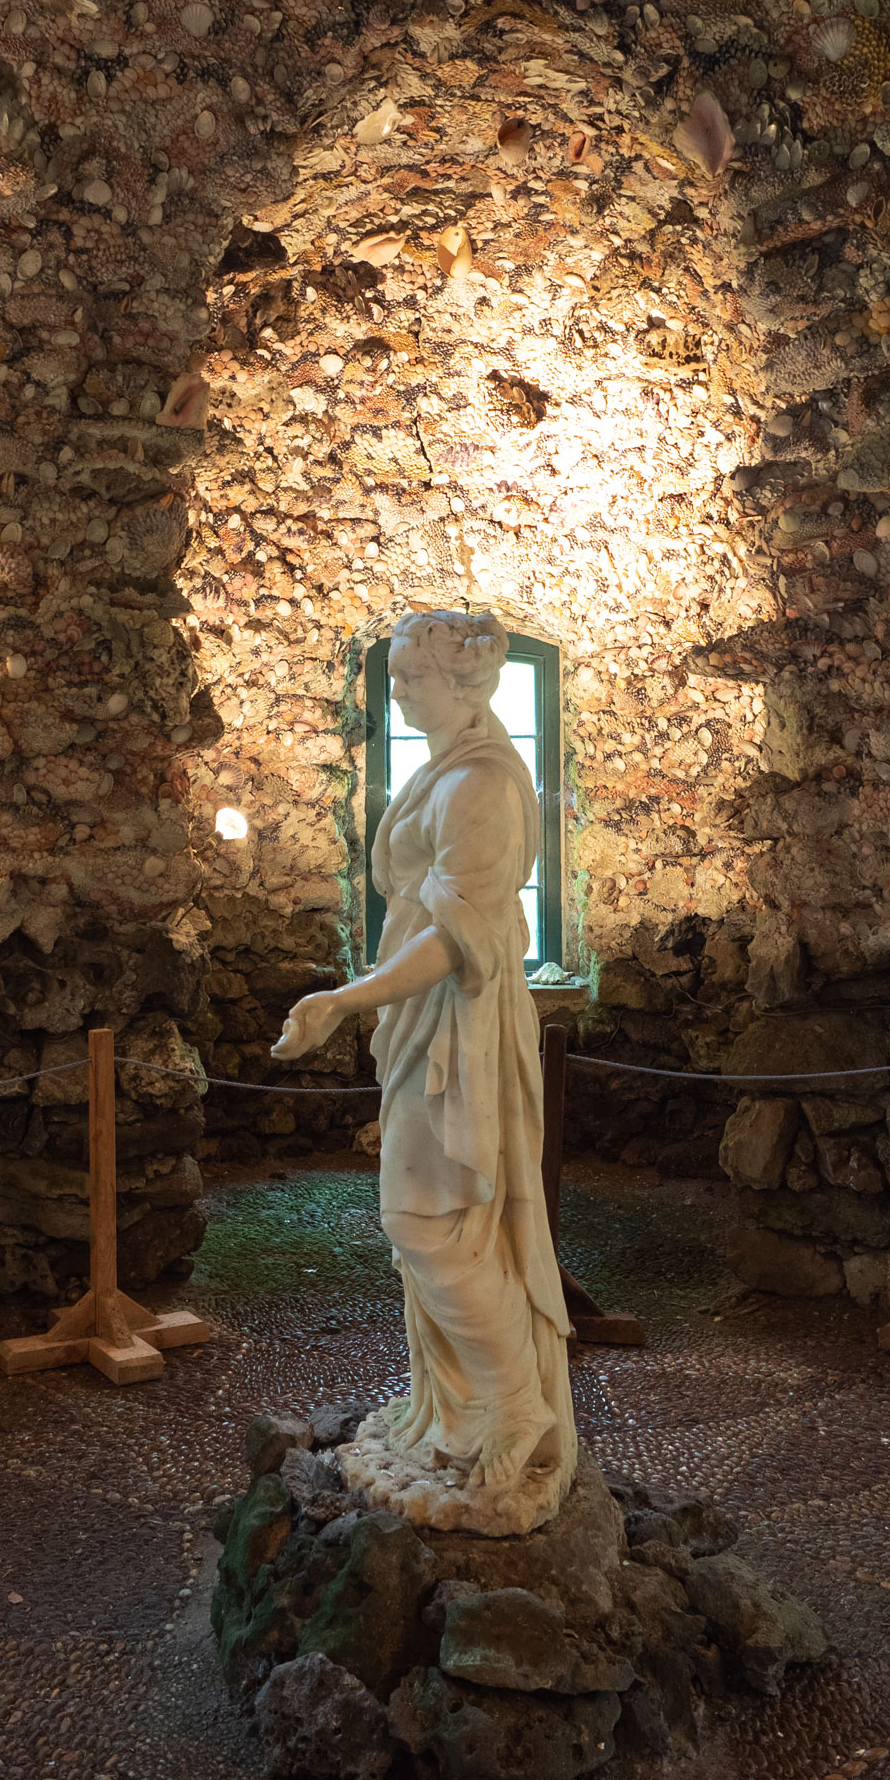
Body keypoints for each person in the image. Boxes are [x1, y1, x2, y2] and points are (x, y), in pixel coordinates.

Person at [273, 610, 575, 1515]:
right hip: (426, 1016)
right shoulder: (444, 769)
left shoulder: (478, 785)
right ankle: (462, 1405)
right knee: (431, 1220)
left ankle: (514, 1406)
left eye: (412, 679)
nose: (397, 694)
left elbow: (456, 941)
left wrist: (345, 1000)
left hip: (459, 1025)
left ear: (464, 683)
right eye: (395, 676)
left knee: (430, 1219)